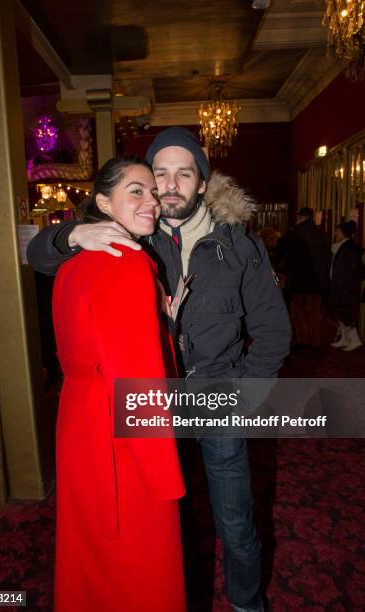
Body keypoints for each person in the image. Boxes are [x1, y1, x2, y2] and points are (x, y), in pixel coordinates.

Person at [28, 128, 291, 612]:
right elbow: (38, 256)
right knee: (171, 519)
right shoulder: (134, 237)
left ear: (202, 181)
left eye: (182, 173)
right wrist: (72, 231)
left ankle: (246, 603)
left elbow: (274, 330)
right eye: (159, 175)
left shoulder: (238, 245)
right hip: (155, 407)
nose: (168, 187)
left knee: (234, 522)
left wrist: (246, 394)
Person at [52, 156, 186, 612]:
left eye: (152, 191)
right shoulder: (129, 264)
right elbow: (139, 383)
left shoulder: (72, 264)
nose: (151, 200)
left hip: (78, 425)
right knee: (141, 569)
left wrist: (160, 320)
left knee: (90, 559)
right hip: (123, 443)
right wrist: (165, 473)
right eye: (136, 191)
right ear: (103, 203)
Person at [279, 207, 330, 347]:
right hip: (317, 281)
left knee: (298, 312)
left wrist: (283, 274)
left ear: (300, 217)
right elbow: (327, 257)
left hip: (298, 280)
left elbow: (287, 257)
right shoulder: (321, 233)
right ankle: (314, 341)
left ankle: (301, 340)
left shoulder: (296, 233)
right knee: (314, 313)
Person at [329, 220, 363, 351]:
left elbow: (352, 270)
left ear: (343, 233)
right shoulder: (342, 245)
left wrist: (344, 283)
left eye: (337, 230)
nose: (335, 233)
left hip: (345, 288)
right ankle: (344, 338)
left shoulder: (350, 247)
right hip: (339, 286)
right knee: (341, 314)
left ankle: (355, 340)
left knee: (346, 314)